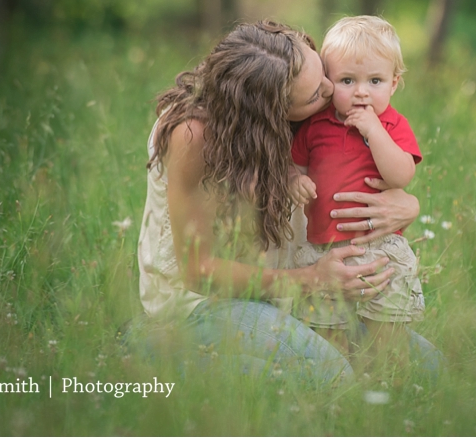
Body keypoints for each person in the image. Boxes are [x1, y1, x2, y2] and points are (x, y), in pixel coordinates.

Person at [137, 20, 440, 385]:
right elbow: (197, 270)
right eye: (315, 93)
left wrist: (407, 203)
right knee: (334, 377)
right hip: (205, 303)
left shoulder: (309, 99)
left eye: (325, 74)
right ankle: (150, 349)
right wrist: (311, 279)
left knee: (428, 371)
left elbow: (369, 168)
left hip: (288, 297)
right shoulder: (193, 137)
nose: (331, 91)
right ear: (267, 110)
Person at [290, 16, 424, 370]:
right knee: (326, 337)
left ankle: (385, 392)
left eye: (375, 81)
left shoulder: (393, 124)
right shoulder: (316, 125)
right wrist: (295, 180)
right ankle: (339, 389)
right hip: (323, 247)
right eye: (348, 80)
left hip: (379, 249)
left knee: (387, 337)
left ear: (394, 84)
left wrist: (374, 130)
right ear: (329, 83)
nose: (362, 91)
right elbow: (295, 165)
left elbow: (401, 175)